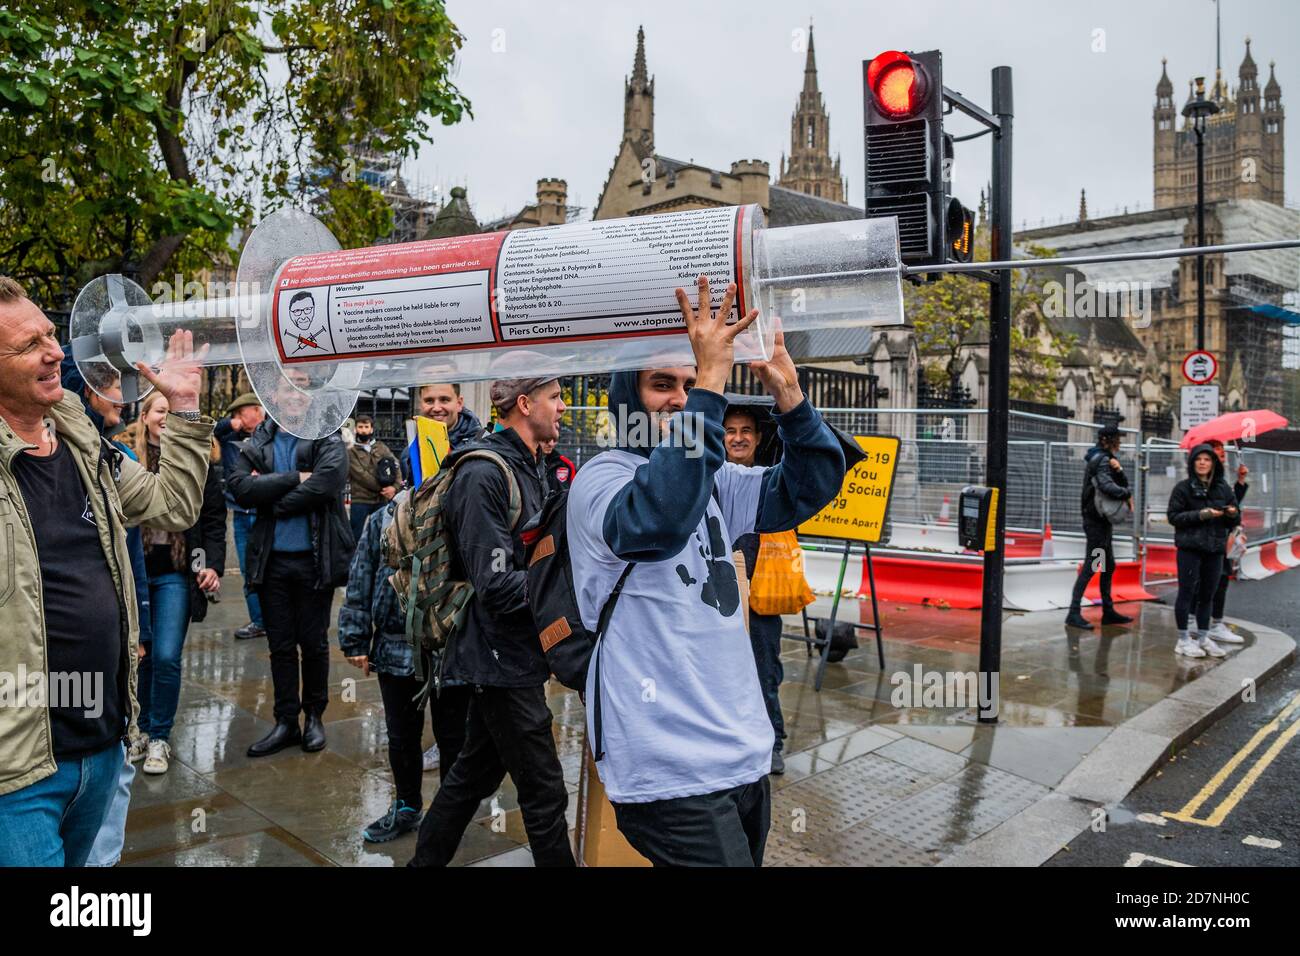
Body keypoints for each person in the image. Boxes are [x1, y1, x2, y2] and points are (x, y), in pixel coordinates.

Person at [565, 277, 853, 866]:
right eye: (662, 384)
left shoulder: (717, 479)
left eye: (691, 384)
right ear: (628, 397)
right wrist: (713, 384)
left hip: (741, 750)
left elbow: (809, 487)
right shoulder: (603, 479)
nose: (680, 397)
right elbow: (658, 521)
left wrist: (791, 396)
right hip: (665, 763)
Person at [0, 276, 212, 867]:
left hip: (103, 745)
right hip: (16, 773)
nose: (56, 352)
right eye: (28, 345)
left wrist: (187, 410)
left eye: (50, 334)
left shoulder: (81, 440)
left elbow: (172, 504)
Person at [408, 376, 574, 867]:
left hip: (517, 649)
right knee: (544, 790)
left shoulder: (534, 464)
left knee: (472, 776)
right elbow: (498, 585)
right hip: (497, 655)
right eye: (556, 398)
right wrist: (567, 595)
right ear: (525, 404)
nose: (564, 407)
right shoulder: (483, 473)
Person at [227, 369, 354, 756]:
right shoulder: (259, 440)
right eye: (288, 387)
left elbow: (328, 482)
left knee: (313, 644)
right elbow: (238, 487)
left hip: (315, 561)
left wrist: (273, 501)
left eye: (303, 387)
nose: (296, 394)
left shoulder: (326, 435)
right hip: (272, 563)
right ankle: (285, 721)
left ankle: (314, 716)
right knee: (281, 646)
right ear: (275, 396)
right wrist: (295, 477)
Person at [57, 358, 154, 867]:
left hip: (103, 693)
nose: (122, 395)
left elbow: (131, 544)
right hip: (38, 696)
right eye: (111, 385)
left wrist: (134, 620)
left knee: (111, 777)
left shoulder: (109, 458)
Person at [338, 489, 472, 842]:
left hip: (452, 647)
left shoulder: (464, 510)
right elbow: (362, 573)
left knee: (453, 736)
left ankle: (449, 814)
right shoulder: (384, 516)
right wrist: (354, 636)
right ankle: (408, 806)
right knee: (401, 736)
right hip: (397, 647)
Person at [121, 391, 226, 774]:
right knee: (141, 657)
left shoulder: (197, 461)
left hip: (175, 574)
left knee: (165, 655)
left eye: (172, 411)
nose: (166, 417)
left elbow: (213, 517)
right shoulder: (124, 456)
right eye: (160, 410)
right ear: (145, 415)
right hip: (135, 571)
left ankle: (159, 736)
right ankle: (141, 730)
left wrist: (212, 564)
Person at [723, 402, 789, 775]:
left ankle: (773, 742)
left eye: (746, 431)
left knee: (765, 669)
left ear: (759, 437)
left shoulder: (771, 480)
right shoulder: (712, 478)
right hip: (723, 595)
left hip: (763, 593)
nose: (738, 437)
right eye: (731, 431)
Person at [1167, 443, 1240, 659]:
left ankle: (1202, 637)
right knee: (1187, 592)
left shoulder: (1223, 488)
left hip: (1215, 548)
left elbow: (1236, 518)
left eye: (1207, 459)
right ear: (1192, 463)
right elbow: (1173, 517)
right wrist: (1201, 514)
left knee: (1208, 595)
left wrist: (1233, 513)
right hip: (1190, 548)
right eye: (1199, 459)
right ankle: (1183, 640)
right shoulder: (1183, 488)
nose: (1202, 463)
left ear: (1214, 464)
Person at [1064, 425, 1135, 630]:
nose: (1119, 443)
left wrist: (1119, 469)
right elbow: (1106, 486)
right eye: (1117, 439)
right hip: (1096, 523)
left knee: (1107, 565)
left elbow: (1117, 480)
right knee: (1093, 565)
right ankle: (1073, 612)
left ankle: (1108, 610)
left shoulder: (1103, 459)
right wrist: (1126, 493)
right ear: (1108, 441)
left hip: (1100, 522)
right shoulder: (1102, 460)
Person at [214, 393, 267, 640]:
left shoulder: (268, 434)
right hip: (239, 512)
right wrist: (229, 424)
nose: (235, 418)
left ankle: (274, 617)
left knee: (270, 567)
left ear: (257, 412)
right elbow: (210, 430)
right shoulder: (229, 437)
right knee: (248, 570)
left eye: (239, 413)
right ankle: (258, 620)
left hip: (264, 511)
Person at [1205, 439, 1249, 645]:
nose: (1223, 458)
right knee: (1206, 583)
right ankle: (1202, 624)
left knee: (1221, 580)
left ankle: (1214, 623)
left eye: (1223, 454)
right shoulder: (1204, 482)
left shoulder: (1220, 481)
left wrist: (1240, 483)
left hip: (1222, 538)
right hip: (1207, 541)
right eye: (1219, 454)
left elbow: (1232, 504)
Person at [346, 413, 399, 545]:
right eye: (360, 427)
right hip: (361, 499)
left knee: (382, 535)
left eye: (366, 427)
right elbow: (361, 475)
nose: (363, 430)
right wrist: (383, 489)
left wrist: (395, 488)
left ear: (371, 429)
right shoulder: (351, 450)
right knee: (356, 536)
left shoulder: (381, 447)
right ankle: (354, 563)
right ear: (356, 429)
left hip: (380, 500)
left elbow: (395, 465)